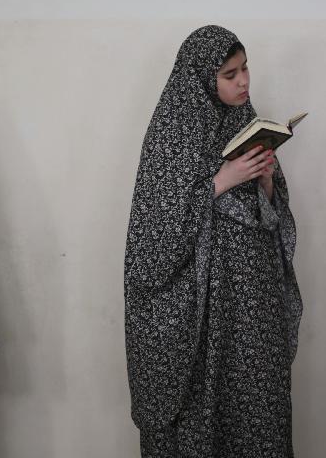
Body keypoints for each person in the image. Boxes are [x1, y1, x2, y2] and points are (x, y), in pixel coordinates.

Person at [124, 25, 303, 457]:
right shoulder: (172, 135)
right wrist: (221, 181)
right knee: (204, 416)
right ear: (202, 79)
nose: (243, 81)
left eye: (245, 69)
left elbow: (273, 217)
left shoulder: (249, 121)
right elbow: (152, 238)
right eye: (229, 74)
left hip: (253, 311)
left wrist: (264, 181)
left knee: (257, 409)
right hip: (200, 318)